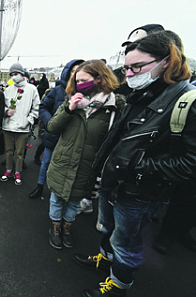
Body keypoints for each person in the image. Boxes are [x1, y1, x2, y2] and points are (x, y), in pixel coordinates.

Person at [74, 30, 195, 297]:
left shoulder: (187, 101)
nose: (129, 74)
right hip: (114, 180)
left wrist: (139, 165)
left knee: (127, 243)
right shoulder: (141, 91)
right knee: (109, 230)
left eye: (137, 67)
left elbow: (190, 164)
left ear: (167, 61)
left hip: (140, 191)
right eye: (127, 68)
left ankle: (119, 286)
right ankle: (105, 261)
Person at [46, 60, 124, 250]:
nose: (80, 84)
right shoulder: (71, 100)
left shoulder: (113, 107)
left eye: (84, 80)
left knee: (74, 202)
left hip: (87, 165)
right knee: (56, 198)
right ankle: (55, 228)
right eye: (77, 80)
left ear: (99, 78)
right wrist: (69, 109)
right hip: (63, 161)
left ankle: (67, 228)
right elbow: (52, 127)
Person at [28, 59, 84, 199]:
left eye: (79, 71)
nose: (76, 75)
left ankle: (59, 194)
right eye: (73, 71)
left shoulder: (87, 93)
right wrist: (50, 122)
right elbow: (43, 107)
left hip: (74, 139)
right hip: (55, 134)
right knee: (46, 162)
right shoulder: (58, 90)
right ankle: (40, 186)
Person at [0, 62, 39, 185]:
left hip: (23, 127)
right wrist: (6, 112)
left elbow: (36, 107)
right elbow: (1, 106)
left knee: (20, 152)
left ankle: (18, 171)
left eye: (15, 74)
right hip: (8, 126)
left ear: (22, 74)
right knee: (8, 151)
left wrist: (29, 120)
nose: (13, 77)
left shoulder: (32, 89)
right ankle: (8, 169)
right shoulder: (8, 89)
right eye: (11, 74)